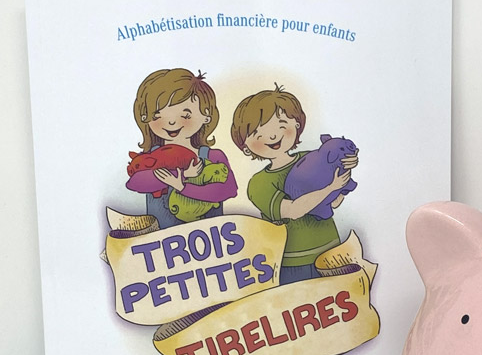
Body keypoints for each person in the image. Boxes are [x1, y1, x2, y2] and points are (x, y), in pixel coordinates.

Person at [231, 85, 358, 285]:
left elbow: (334, 203)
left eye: (281, 125)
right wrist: (331, 187)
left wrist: (345, 167)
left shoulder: (313, 158)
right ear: (245, 146)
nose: (273, 136)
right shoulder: (259, 184)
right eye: (258, 132)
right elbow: (292, 210)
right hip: (292, 262)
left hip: (332, 252)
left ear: (297, 124)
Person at [126, 68, 237, 228]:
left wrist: (183, 187)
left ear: (206, 116)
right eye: (158, 115)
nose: (172, 122)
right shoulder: (147, 158)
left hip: (211, 238)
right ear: (145, 118)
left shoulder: (213, 157)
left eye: (185, 115)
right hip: (163, 240)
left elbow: (228, 190)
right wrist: (184, 174)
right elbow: (135, 183)